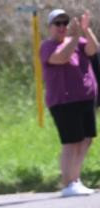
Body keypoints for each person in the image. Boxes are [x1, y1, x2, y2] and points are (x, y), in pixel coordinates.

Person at [40, 8, 98, 196]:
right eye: (57, 24)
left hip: (84, 98)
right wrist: (73, 37)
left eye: (65, 23)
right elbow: (61, 58)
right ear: (50, 27)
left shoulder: (77, 42)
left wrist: (86, 30)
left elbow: (93, 49)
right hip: (64, 101)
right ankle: (68, 184)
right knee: (71, 142)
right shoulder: (48, 46)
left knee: (86, 140)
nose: (62, 27)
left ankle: (76, 179)